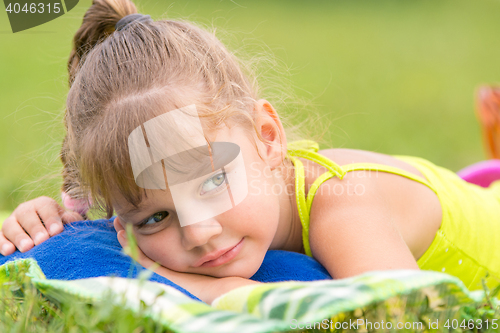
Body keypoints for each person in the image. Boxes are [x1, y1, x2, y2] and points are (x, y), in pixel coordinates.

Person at [2, 0, 500, 304]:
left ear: (267, 136)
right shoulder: (157, 204)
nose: (198, 232)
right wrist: (45, 220)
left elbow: (409, 320)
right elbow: (82, 238)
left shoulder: (343, 207)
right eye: (155, 218)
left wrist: (217, 293)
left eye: (212, 181)